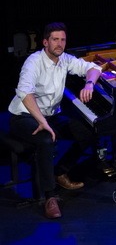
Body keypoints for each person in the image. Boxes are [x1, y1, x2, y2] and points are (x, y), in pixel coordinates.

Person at [8, 22, 102, 219]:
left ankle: (60, 172)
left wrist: (90, 83)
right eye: (55, 39)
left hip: (51, 115)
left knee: (89, 131)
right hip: (24, 115)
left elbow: (93, 68)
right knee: (45, 140)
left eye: (63, 40)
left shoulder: (65, 59)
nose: (59, 44)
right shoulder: (33, 62)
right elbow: (25, 93)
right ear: (45, 42)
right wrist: (42, 121)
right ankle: (50, 197)